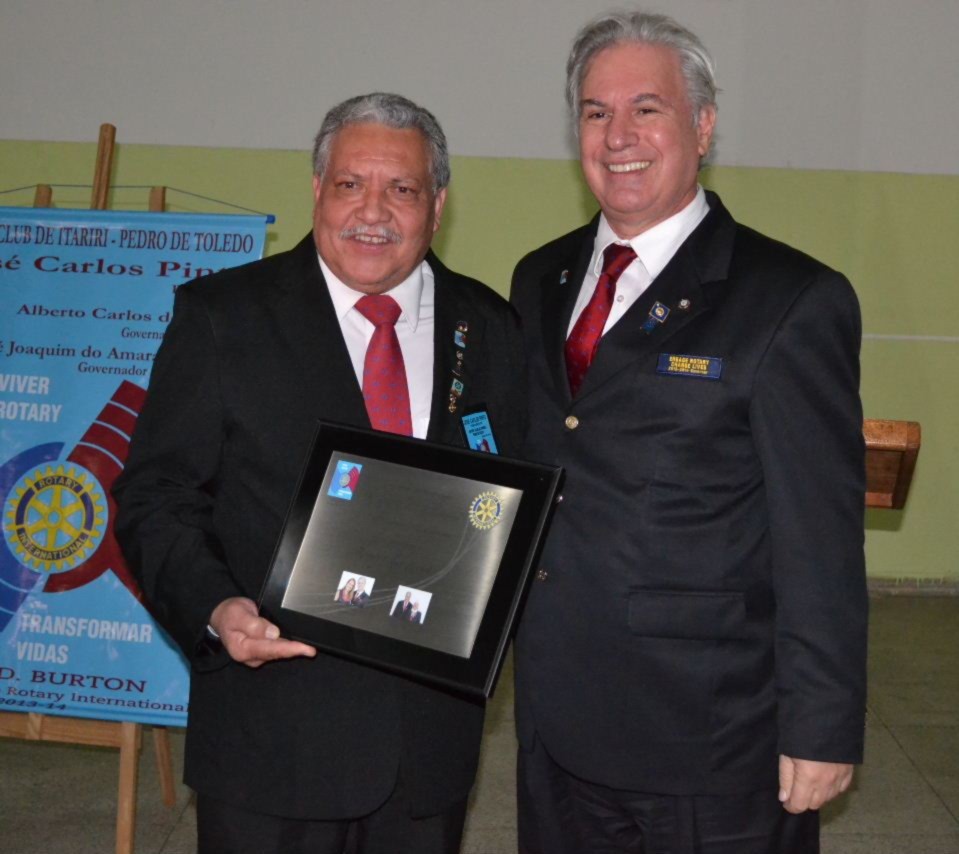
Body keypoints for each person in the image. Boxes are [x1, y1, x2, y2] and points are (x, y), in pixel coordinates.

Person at [113, 92, 525, 854]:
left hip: (426, 746)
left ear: (437, 204)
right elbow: (154, 495)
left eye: (401, 189)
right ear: (316, 190)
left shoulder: (492, 326)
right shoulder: (223, 317)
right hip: (272, 735)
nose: (373, 212)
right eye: (349, 184)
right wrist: (216, 608)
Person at [510, 11, 867, 854]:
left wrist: (821, 724)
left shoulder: (788, 299)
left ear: (702, 127)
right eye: (596, 112)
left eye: (648, 109)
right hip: (557, 720)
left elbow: (818, 536)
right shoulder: (539, 278)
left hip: (710, 736)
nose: (618, 136)